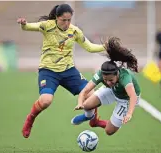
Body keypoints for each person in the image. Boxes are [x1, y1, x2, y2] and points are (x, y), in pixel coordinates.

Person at [17, 4, 106, 138]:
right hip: (48, 71)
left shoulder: (75, 31)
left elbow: (90, 47)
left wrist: (106, 46)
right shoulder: (47, 25)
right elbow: (28, 27)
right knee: (46, 100)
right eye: (64, 20)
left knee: (92, 94)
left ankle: (94, 120)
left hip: (69, 71)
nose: (67, 23)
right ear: (57, 18)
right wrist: (24, 24)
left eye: (69, 20)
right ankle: (30, 119)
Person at [71, 37, 141, 136]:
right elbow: (85, 90)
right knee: (86, 105)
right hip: (113, 90)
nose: (108, 82)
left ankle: (106, 123)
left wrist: (129, 114)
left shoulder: (124, 76)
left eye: (111, 80)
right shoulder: (101, 74)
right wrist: (80, 103)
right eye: (105, 80)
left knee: (109, 131)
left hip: (126, 99)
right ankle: (88, 117)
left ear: (117, 74)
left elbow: (132, 96)